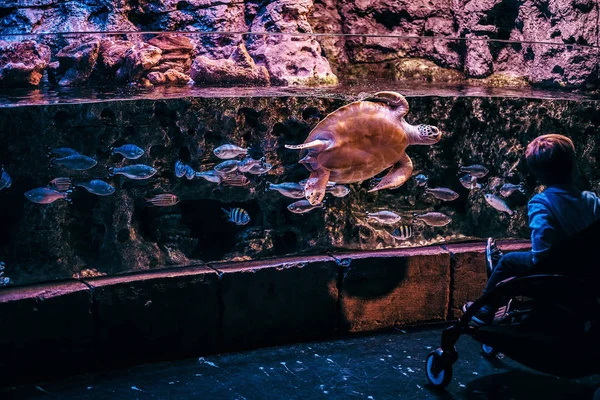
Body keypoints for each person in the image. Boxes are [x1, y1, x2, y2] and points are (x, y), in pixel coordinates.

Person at [467, 134, 600, 326]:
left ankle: (485, 310)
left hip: (554, 274)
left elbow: (541, 249)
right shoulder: (591, 200)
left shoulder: (541, 202)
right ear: (574, 167)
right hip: (588, 272)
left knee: (508, 261)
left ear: (538, 176)